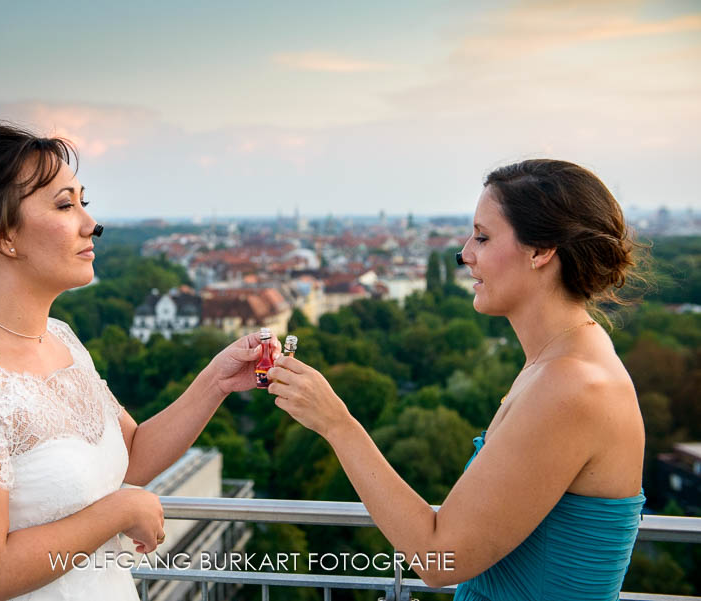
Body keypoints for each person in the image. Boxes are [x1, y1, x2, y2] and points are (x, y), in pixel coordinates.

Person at [0, 123, 277, 601]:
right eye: (65, 205)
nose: (91, 223)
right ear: (3, 236)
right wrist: (117, 513)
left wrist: (215, 380)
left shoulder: (63, 340)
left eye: (83, 202)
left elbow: (130, 457)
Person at [267, 159, 646, 600]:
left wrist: (337, 424)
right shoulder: (564, 360)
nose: (465, 253)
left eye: (483, 237)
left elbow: (436, 559)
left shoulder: (571, 386)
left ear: (541, 250)